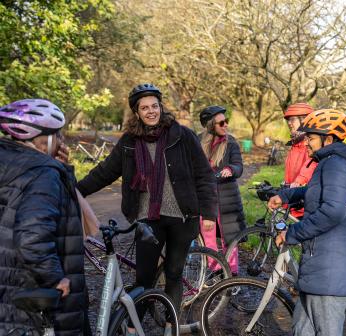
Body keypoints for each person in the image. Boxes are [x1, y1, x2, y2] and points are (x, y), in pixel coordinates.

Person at [76, 84, 218, 327]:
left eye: (154, 106)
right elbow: (105, 172)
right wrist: (75, 191)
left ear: (161, 107)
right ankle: (133, 326)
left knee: (173, 274)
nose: (151, 111)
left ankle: (171, 327)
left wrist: (208, 213)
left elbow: (204, 174)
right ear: (137, 112)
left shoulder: (182, 135)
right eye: (145, 108)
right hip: (147, 221)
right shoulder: (129, 142)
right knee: (144, 277)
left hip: (183, 218)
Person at [268, 109, 346, 336]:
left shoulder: (337, 165)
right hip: (320, 262)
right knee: (302, 329)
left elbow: (333, 211)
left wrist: (291, 233)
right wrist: (285, 196)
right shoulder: (329, 162)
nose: (306, 142)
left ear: (329, 139)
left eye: (311, 137)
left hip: (331, 265)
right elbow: (314, 191)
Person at [0, 99, 90, 335]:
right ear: (43, 139)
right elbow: (32, 237)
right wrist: (56, 279)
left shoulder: (13, 163)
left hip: (8, 285)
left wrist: (61, 168)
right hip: (33, 290)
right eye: (57, 135)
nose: (61, 141)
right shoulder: (42, 173)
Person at [198, 105, 246, 275]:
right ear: (211, 125)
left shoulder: (231, 142)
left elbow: (239, 166)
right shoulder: (198, 141)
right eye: (221, 123)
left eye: (226, 121)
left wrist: (231, 169)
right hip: (205, 198)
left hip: (227, 198)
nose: (226, 125)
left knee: (229, 237)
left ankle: (232, 273)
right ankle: (215, 268)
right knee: (208, 236)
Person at [283, 103, 317, 218]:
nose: (289, 123)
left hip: (304, 204)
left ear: (304, 121)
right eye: (288, 120)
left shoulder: (309, 145)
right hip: (293, 200)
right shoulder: (295, 145)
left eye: (292, 120)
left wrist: (299, 181)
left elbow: (311, 164)